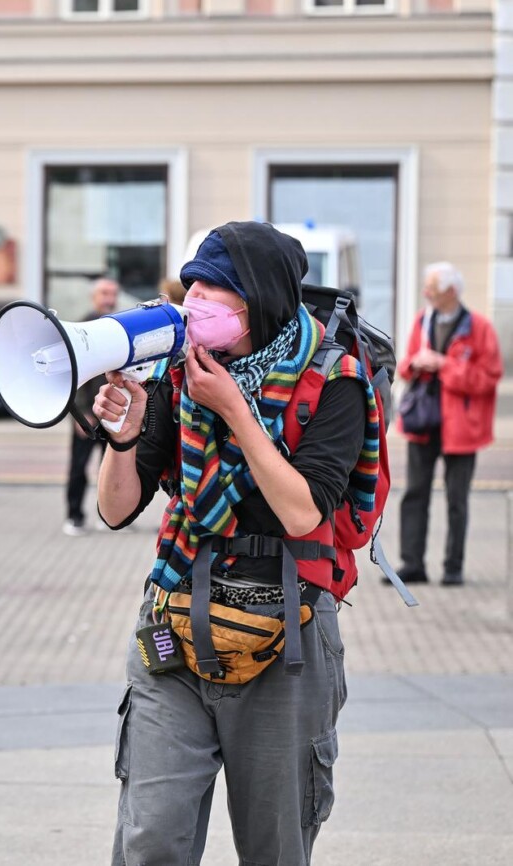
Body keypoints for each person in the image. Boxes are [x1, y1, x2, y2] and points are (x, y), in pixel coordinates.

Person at [95, 222, 377, 864]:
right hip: (176, 626)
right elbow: (116, 509)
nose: (195, 303)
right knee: (150, 840)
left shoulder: (334, 381)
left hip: (288, 636)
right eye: (191, 287)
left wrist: (234, 411)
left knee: (273, 847)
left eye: (214, 292)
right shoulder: (180, 375)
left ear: (262, 300)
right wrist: (126, 435)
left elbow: (304, 512)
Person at [397, 262, 502, 586]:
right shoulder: (421, 320)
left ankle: (453, 567)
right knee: (415, 493)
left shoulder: (480, 328)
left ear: (451, 292)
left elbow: (488, 378)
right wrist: (416, 363)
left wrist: (445, 365)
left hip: (462, 428)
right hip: (423, 422)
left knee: (457, 499)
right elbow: (404, 368)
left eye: (433, 288)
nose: (426, 293)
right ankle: (412, 564)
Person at [63, 277, 118, 535]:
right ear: (94, 296)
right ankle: (74, 516)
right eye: (104, 293)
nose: (109, 298)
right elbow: (73, 373)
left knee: (109, 467)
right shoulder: (81, 326)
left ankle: (106, 516)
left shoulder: (117, 327)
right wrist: (81, 412)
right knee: (79, 467)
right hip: (87, 413)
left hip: (112, 411)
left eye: (113, 293)